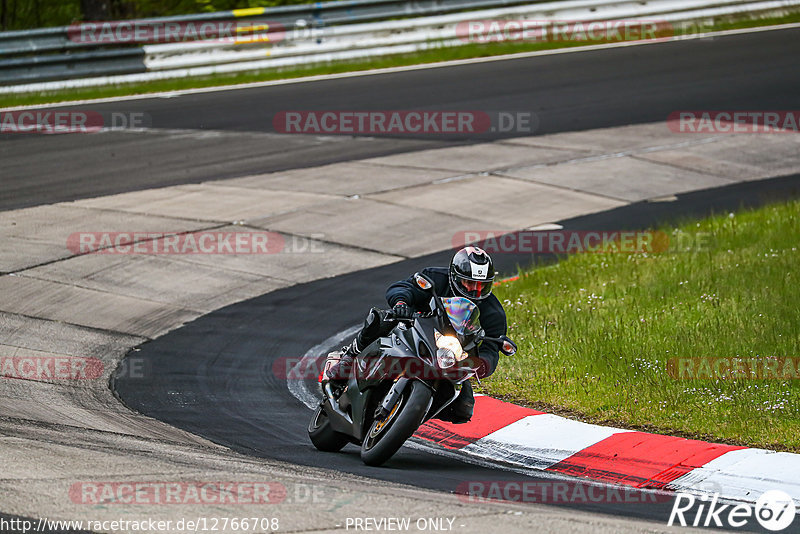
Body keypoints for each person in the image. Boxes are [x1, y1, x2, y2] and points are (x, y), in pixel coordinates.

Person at [323, 246, 507, 424]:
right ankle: (349, 358)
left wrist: (483, 363)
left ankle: (413, 415)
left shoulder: (493, 312)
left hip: (450, 355)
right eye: (470, 283)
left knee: (464, 408)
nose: (476, 290)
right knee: (381, 319)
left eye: (482, 285)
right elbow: (403, 287)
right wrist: (401, 302)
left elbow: (492, 347)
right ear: (455, 277)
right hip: (414, 327)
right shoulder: (435, 278)